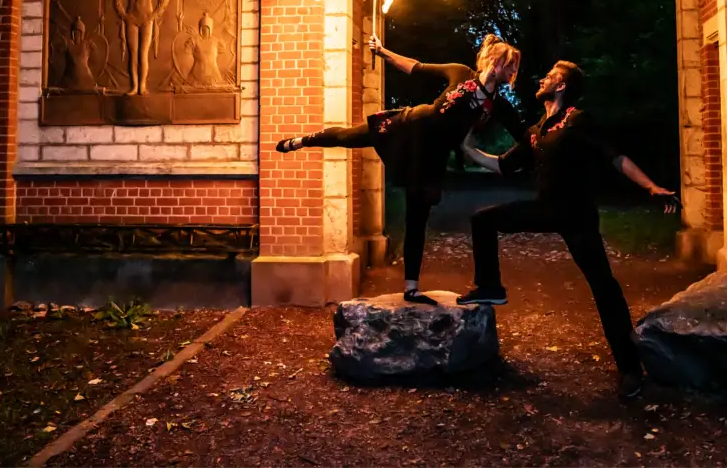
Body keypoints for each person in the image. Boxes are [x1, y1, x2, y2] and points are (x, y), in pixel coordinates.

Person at [458, 60, 678, 399]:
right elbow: (502, 164)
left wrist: (650, 186)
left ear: (561, 86)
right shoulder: (538, 130)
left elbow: (615, 157)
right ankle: (490, 286)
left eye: (550, 76)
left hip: (576, 215)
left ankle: (631, 369)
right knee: (482, 218)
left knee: (604, 288)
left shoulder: (578, 120)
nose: (543, 78)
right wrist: (466, 147)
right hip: (545, 209)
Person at [275, 34, 524, 305]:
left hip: (430, 156)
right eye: (511, 64)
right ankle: (300, 141)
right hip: (409, 127)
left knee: (418, 214)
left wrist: (547, 141)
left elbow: (525, 134)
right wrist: (383, 52)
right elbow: (415, 67)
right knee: (349, 137)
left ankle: (411, 288)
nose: (514, 71)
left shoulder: (497, 105)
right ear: (495, 62)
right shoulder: (460, 72)